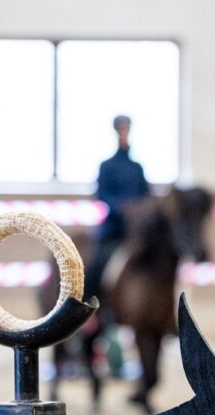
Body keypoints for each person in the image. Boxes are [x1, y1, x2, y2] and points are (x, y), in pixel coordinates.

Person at [86, 114, 150, 299]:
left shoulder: (137, 168)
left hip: (135, 229)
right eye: (121, 129)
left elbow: (146, 194)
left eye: (126, 129)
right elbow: (102, 194)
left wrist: (139, 209)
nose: (124, 132)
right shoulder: (107, 166)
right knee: (98, 263)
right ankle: (93, 303)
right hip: (113, 228)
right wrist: (121, 208)